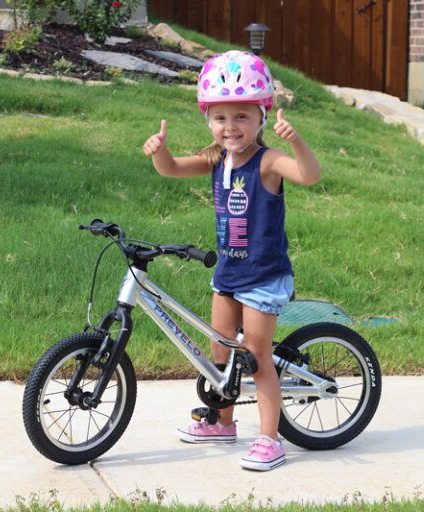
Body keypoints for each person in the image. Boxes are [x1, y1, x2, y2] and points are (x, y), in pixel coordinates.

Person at [142, 50, 321, 471]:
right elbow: (170, 169)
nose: (230, 127)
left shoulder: (269, 162)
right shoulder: (215, 160)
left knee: (255, 359)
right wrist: (158, 151)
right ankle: (222, 422)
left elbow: (310, 176)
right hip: (228, 275)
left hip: (263, 276)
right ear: (209, 120)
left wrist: (296, 141)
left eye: (242, 116)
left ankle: (269, 439)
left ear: (261, 116)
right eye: (221, 118)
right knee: (219, 354)